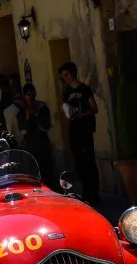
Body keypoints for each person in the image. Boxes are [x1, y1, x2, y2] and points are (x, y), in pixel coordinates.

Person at [59, 61, 100, 204]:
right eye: (63, 76)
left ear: (73, 73)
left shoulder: (84, 89)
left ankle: (95, 194)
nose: (66, 78)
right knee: (79, 163)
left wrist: (82, 115)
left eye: (67, 74)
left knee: (89, 161)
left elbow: (94, 108)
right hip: (74, 129)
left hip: (86, 128)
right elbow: (65, 109)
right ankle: (85, 193)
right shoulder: (66, 92)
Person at [17, 83, 55, 190]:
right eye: (28, 94)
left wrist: (37, 116)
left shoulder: (42, 107)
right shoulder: (22, 111)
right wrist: (28, 117)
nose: (31, 97)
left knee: (47, 171)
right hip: (30, 145)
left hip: (43, 143)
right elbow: (23, 130)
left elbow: (45, 126)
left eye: (33, 93)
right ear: (24, 96)